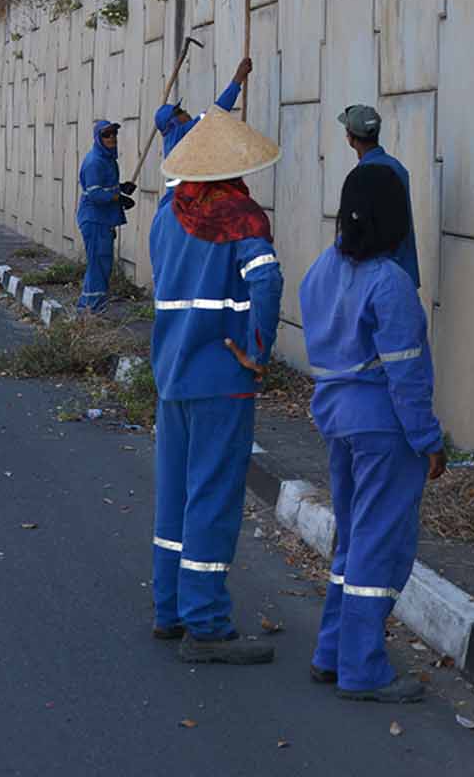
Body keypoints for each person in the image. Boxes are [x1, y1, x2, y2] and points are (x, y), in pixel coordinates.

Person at [299, 159, 444, 702]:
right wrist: (429, 441)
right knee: (379, 546)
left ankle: (331, 651)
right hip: (385, 430)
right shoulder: (391, 283)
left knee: (353, 539)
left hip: (336, 420)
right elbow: (408, 377)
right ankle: (362, 669)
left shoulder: (322, 269)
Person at [147, 105, 285, 664]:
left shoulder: (166, 215)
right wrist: (258, 350)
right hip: (223, 377)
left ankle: (169, 610)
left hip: (171, 373)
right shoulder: (241, 217)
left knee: (175, 496)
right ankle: (205, 624)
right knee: (213, 497)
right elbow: (266, 281)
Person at [151, 57, 252, 209]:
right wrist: (238, 79)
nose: (185, 111)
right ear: (174, 122)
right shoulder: (182, 133)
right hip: (186, 201)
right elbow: (216, 112)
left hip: (174, 200)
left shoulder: (172, 139)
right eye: (180, 111)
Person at [336, 104, 419, 289]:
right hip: (402, 270)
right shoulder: (397, 168)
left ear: (350, 138)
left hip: (377, 279)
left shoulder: (364, 176)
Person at [74, 119, 136, 312]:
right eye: (106, 134)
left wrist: (121, 187)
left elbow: (105, 187)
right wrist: (118, 197)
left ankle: (90, 307)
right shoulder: (95, 162)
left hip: (102, 220)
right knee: (98, 264)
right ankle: (92, 308)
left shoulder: (108, 159)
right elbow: (95, 194)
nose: (112, 138)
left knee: (101, 264)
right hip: (94, 220)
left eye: (114, 133)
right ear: (98, 138)